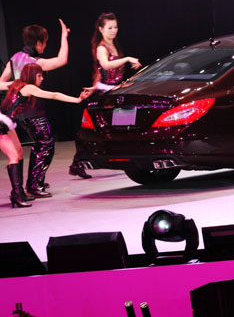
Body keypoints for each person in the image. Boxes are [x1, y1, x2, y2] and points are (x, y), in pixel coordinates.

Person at [0, 64, 92, 207]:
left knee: (18, 154)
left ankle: (19, 192)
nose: (42, 78)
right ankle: (17, 195)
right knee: (14, 156)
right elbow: (54, 95)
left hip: (7, 124)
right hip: (2, 124)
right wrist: (77, 100)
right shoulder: (29, 87)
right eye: (39, 75)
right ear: (31, 76)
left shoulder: (16, 84)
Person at [0, 18, 70, 198]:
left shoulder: (14, 58)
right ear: (38, 43)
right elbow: (62, 60)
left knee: (41, 144)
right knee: (45, 144)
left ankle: (34, 182)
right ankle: (34, 185)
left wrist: (15, 86)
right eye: (44, 43)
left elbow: (1, 82)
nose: (45, 46)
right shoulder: (35, 63)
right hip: (33, 110)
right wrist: (64, 35)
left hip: (19, 112)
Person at [69, 11, 142, 179]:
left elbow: (99, 72)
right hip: (106, 94)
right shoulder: (102, 48)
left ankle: (129, 159)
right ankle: (77, 163)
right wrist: (127, 59)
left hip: (116, 92)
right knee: (97, 130)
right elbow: (106, 66)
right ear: (101, 29)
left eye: (115, 27)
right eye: (110, 27)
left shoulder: (114, 45)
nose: (114, 30)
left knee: (123, 127)